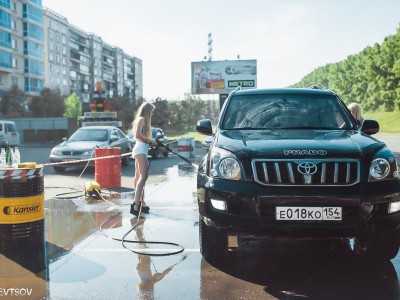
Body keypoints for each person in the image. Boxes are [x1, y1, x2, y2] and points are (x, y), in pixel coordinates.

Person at [130, 102, 157, 216]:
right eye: (151, 111)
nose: (151, 113)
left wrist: (150, 141)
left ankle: (141, 202)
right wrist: (150, 140)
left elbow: (140, 136)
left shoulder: (140, 119)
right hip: (140, 150)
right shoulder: (141, 119)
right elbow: (137, 135)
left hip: (140, 149)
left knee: (138, 177)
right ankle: (136, 204)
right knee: (143, 176)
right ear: (147, 110)